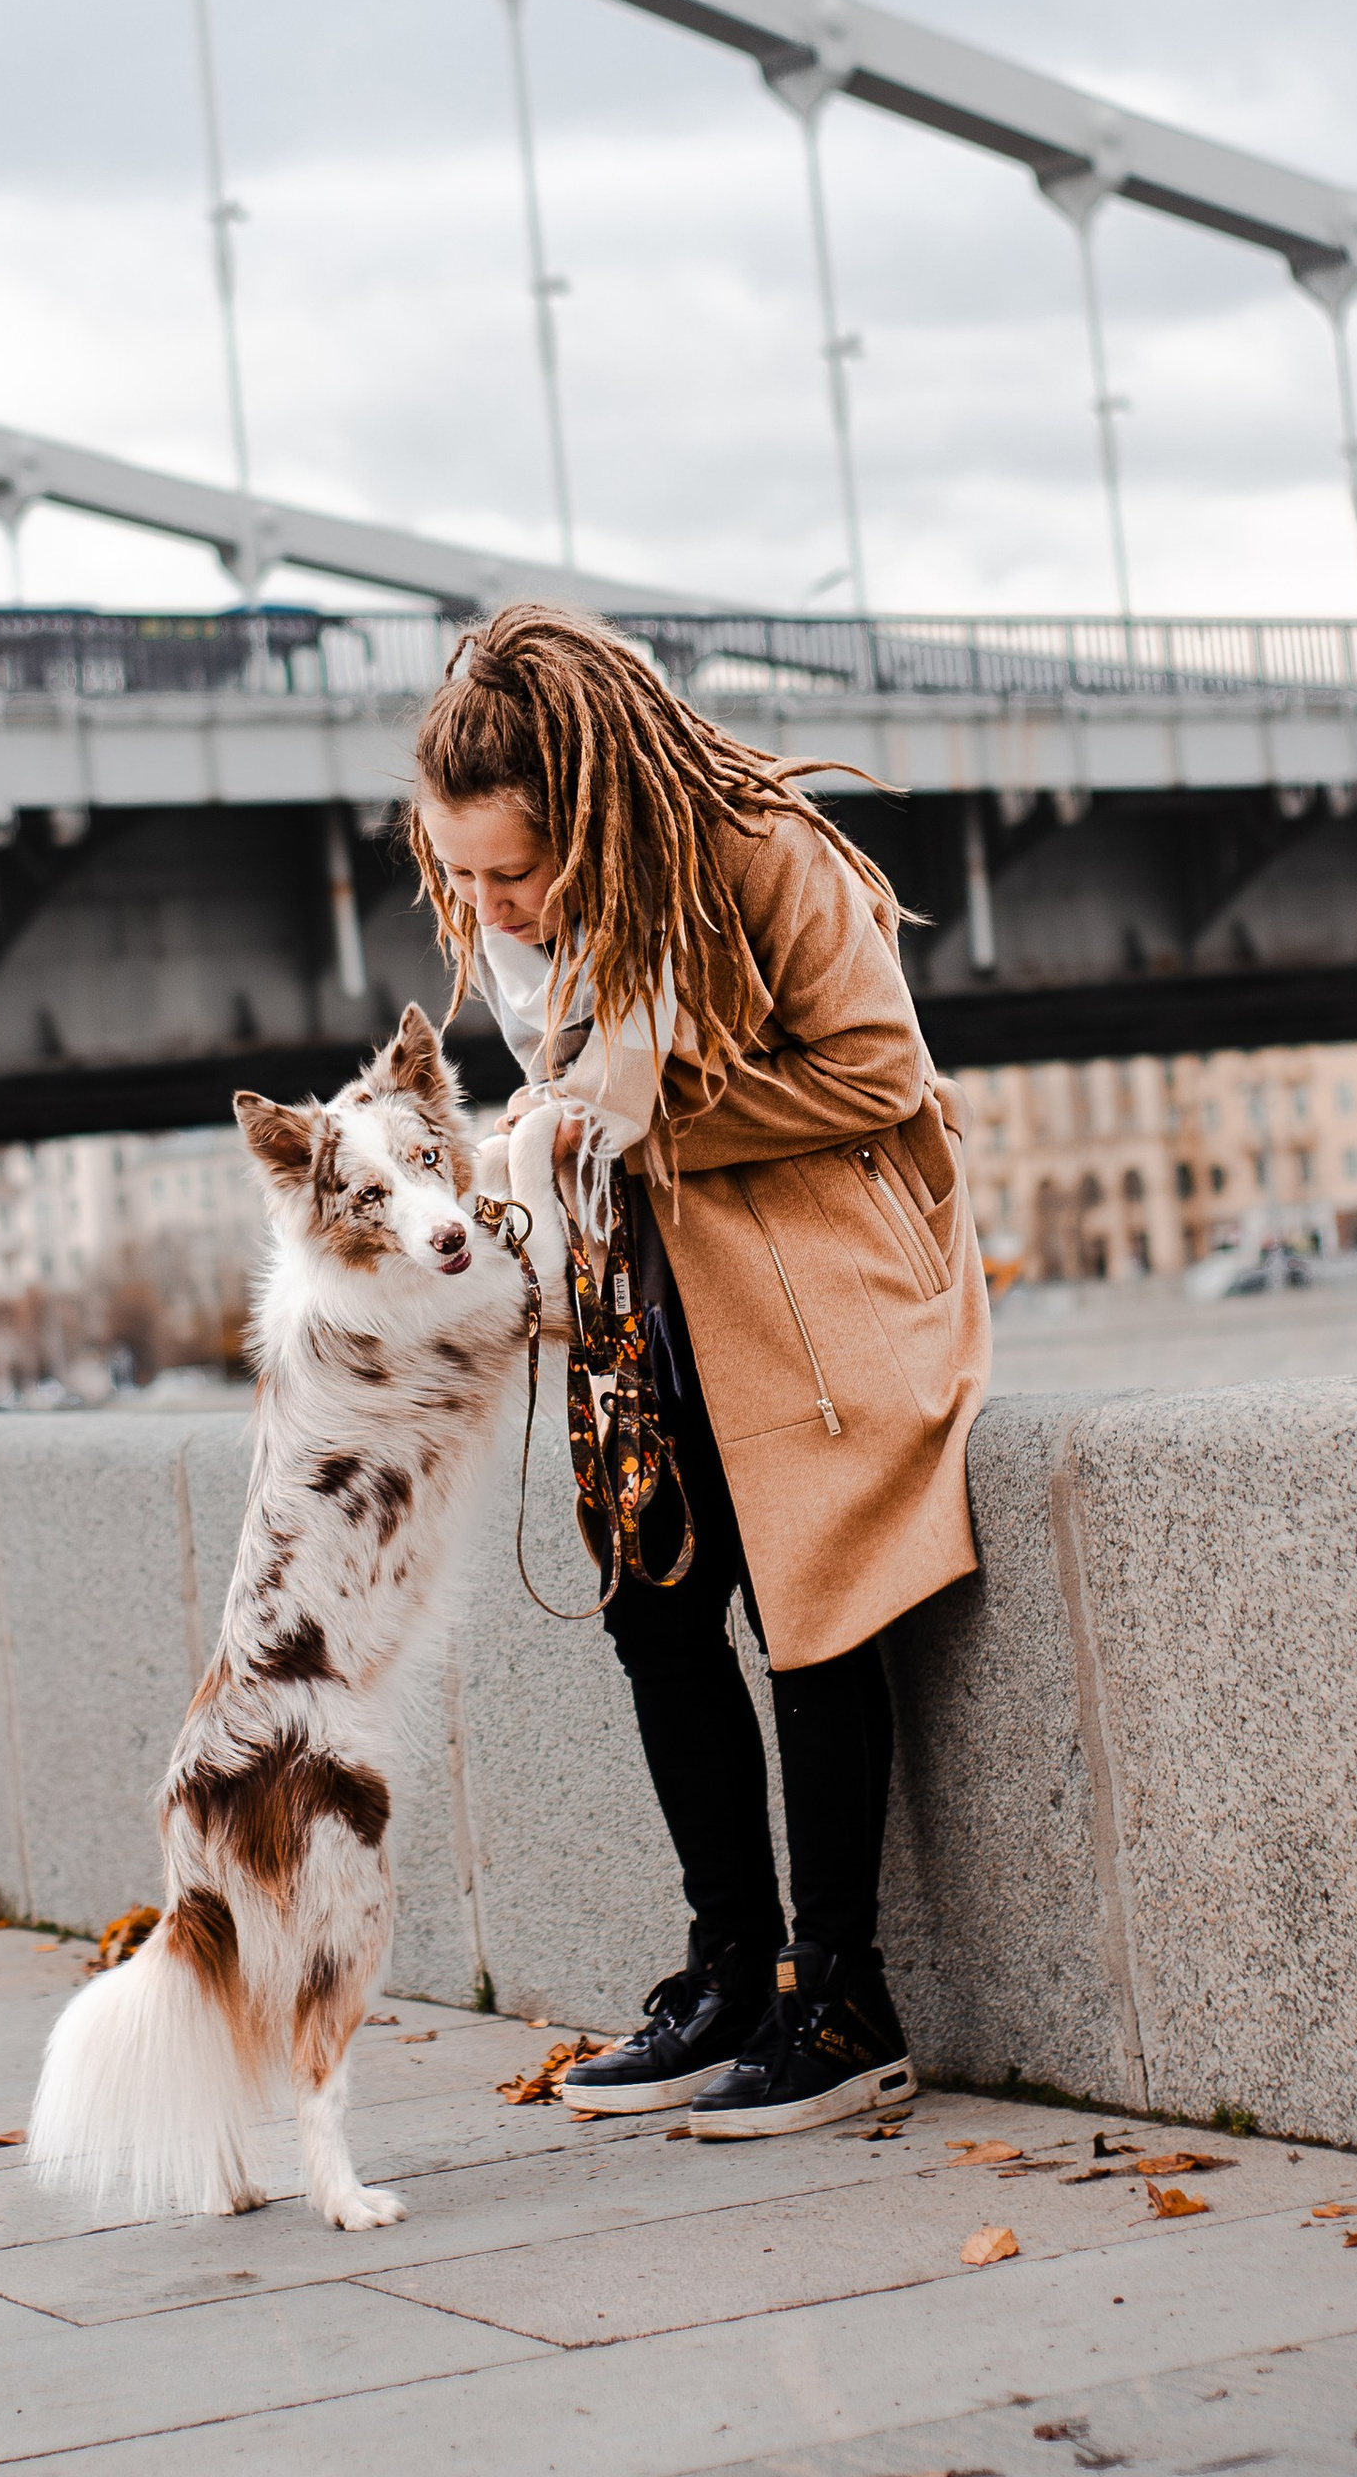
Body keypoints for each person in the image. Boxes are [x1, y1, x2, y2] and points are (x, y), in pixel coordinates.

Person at [409, 601, 990, 2133]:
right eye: (458, 873)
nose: (486, 907)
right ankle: (729, 1972)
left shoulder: (758, 851)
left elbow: (879, 1069)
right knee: (654, 1614)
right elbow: (592, 1097)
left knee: (811, 1610)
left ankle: (843, 2001)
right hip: (656, 1298)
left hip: (815, 1287)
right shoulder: (546, 924)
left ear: (594, 812)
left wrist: (650, 1119)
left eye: (511, 871)